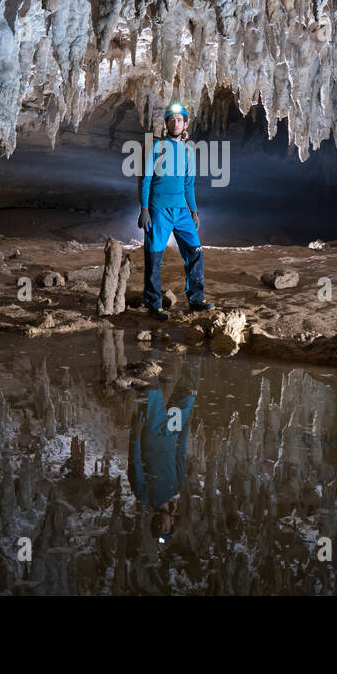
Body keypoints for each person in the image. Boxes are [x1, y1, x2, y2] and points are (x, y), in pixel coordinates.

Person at [137, 100, 216, 320]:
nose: (176, 123)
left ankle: (196, 298)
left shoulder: (188, 152)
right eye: (172, 119)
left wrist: (194, 211)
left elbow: (189, 184)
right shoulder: (156, 147)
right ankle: (154, 303)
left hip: (182, 211)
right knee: (154, 258)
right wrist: (144, 209)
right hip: (158, 210)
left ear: (185, 123)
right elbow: (145, 179)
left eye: (179, 119)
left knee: (196, 252)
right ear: (167, 123)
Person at [128, 356, 201, 545]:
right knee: (190, 391)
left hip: (152, 433)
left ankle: (147, 357)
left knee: (150, 384)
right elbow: (180, 455)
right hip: (173, 433)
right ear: (172, 522)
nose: (162, 525)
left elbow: (134, 463)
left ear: (153, 522)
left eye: (158, 528)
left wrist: (135, 435)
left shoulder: (144, 496)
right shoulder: (176, 486)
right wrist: (185, 429)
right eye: (166, 528)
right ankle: (188, 352)